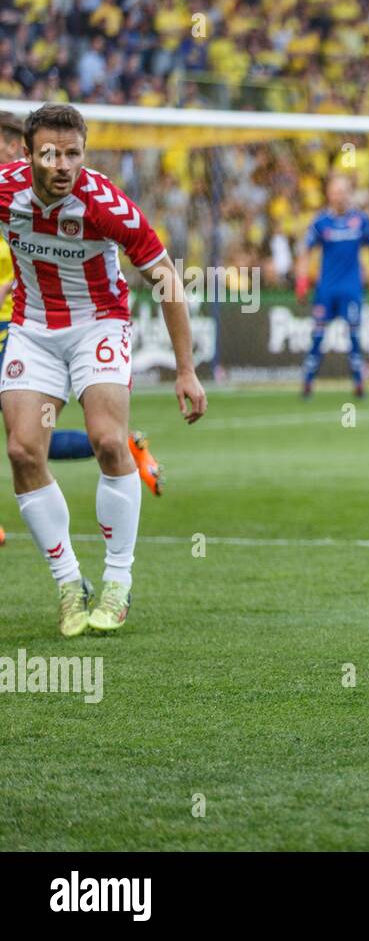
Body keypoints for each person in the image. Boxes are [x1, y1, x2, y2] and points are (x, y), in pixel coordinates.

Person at [0, 104, 207, 636]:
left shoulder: (105, 204)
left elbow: (166, 279)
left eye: (73, 153)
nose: (63, 163)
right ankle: (70, 582)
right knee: (24, 450)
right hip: (33, 327)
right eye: (50, 152)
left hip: (99, 324)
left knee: (108, 442)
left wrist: (186, 370)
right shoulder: (6, 190)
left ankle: (117, 582)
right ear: (28, 155)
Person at [297, 174, 369, 399]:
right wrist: (302, 282)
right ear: (329, 194)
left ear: (349, 194)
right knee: (318, 336)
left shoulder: (361, 221)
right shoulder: (321, 222)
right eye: (336, 192)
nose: (339, 196)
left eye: (343, 192)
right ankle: (308, 382)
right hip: (326, 289)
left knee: (354, 336)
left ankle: (359, 384)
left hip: (351, 289)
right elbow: (305, 251)